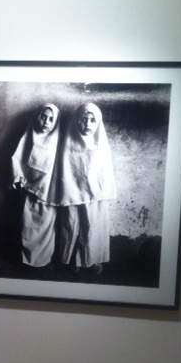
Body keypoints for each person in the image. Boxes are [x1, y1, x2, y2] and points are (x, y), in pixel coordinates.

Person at [57, 103, 117, 274]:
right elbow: (65, 170)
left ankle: (94, 258)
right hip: (72, 192)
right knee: (72, 223)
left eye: (92, 120)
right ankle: (72, 258)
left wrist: (99, 190)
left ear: (98, 122)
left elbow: (105, 171)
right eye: (84, 119)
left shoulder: (101, 145)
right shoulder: (68, 143)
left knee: (94, 224)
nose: (87, 124)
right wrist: (72, 189)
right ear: (77, 120)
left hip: (95, 194)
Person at [11, 103, 61, 267]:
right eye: (43, 117)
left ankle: (43, 260)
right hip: (29, 189)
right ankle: (26, 259)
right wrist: (20, 177)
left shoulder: (58, 141)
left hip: (48, 191)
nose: (46, 122)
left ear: (56, 122)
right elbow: (18, 158)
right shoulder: (29, 136)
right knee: (28, 224)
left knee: (45, 225)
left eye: (51, 119)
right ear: (37, 117)